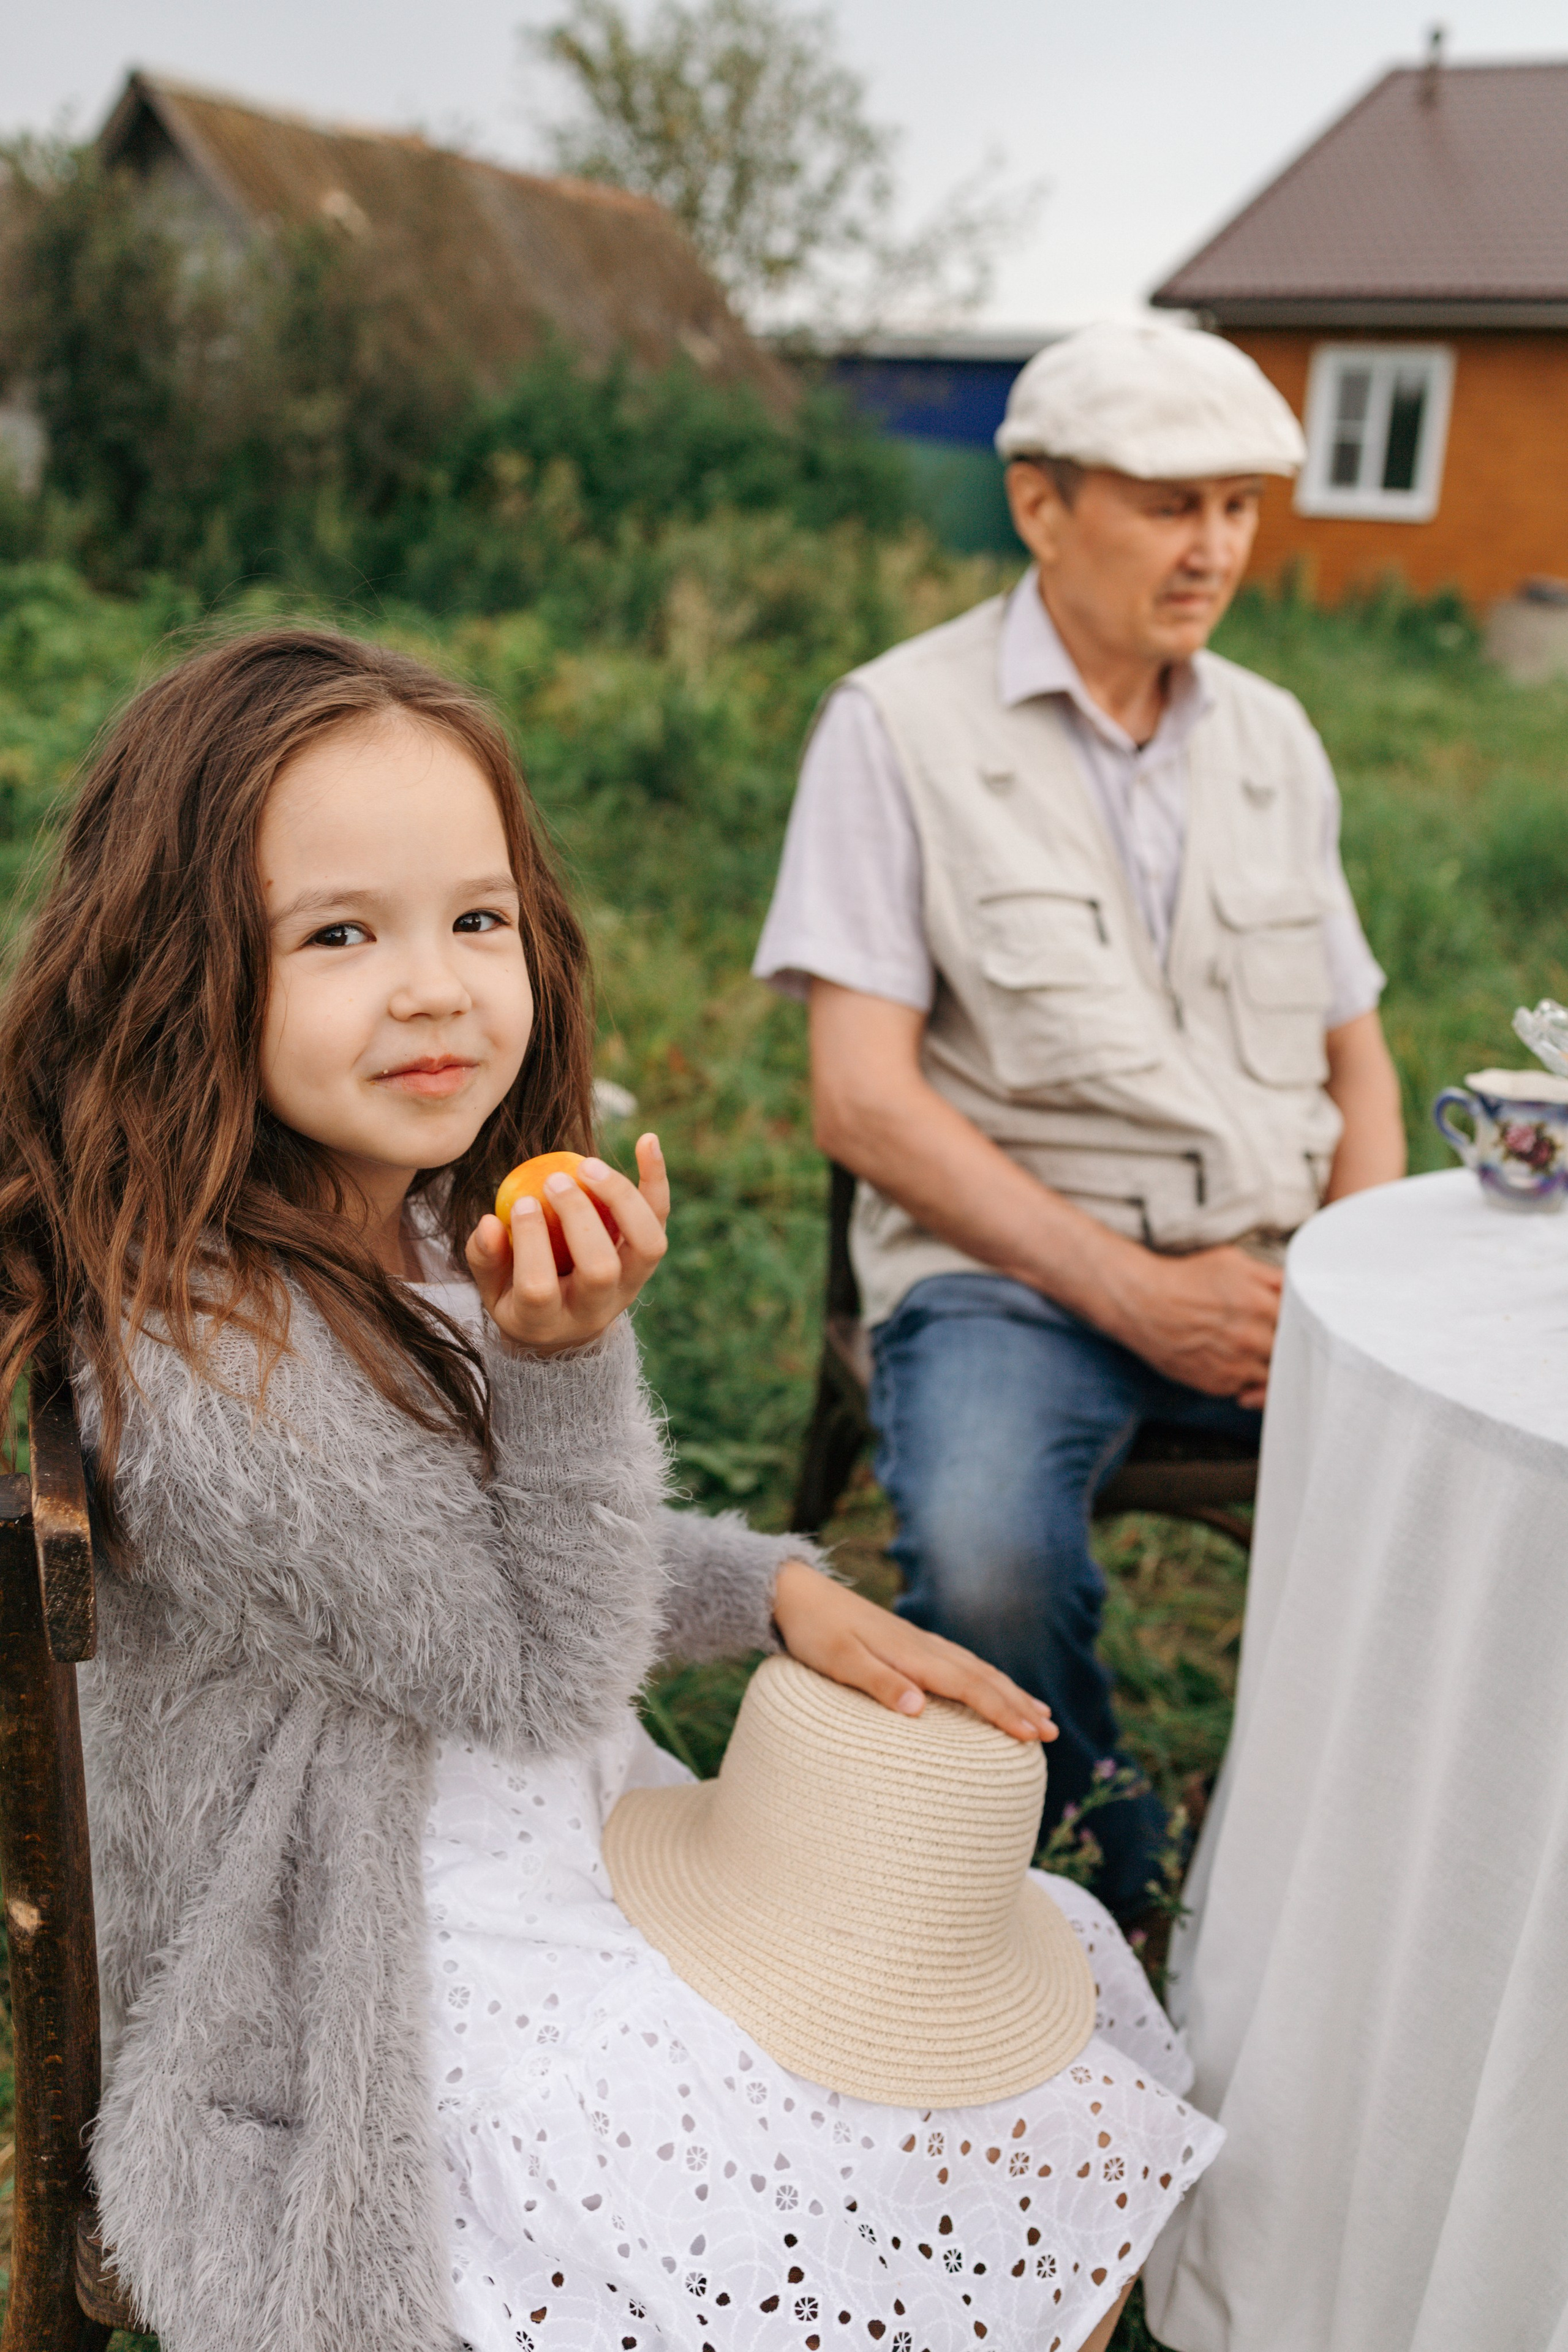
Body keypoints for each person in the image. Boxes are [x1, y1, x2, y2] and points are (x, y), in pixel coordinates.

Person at [0, 625, 1221, 2352]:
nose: (434, 987)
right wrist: (569, 1365)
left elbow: (495, 1566)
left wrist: (778, 1586)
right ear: (185, 966)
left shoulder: (401, 1217)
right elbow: (530, 1668)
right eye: (341, 933)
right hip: (358, 1964)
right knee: (876, 2159)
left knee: (1025, 2052)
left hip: (539, 1828)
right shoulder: (204, 1368)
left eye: (473, 919)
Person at [754, 321, 1407, 1923]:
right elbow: (861, 1096)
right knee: (987, 1560)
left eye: (1241, 508)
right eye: (1171, 505)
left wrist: (1349, 1293)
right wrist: (1131, 1293)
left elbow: (1363, 1064)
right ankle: (1111, 1858)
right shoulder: (895, 726)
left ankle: (1351, 1897)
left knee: (1472, 1509)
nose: (1216, 549)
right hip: (1011, 1282)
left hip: (1272, 1276)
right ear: (1040, 507)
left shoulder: (1274, 739)